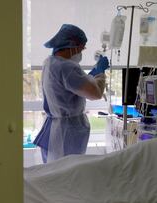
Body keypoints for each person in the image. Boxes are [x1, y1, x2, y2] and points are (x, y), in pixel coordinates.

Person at [33, 24, 109, 163]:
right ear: (71, 45)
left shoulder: (50, 62)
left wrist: (91, 75)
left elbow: (71, 86)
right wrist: (101, 72)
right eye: (81, 48)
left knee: (54, 172)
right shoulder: (67, 67)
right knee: (67, 173)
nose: (81, 52)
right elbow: (95, 94)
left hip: (55, 128)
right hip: (67, 131)